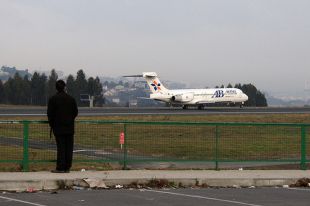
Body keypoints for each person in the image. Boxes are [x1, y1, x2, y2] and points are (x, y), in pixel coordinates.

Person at [47, 80, 78, 173]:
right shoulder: (71, 99)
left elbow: (50, 114)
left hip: (58, 128)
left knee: (61, 148)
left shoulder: (53, 99)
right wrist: (69, 119)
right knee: (69, 148)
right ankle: (67, 167)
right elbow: (75, 112)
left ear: (56, 88)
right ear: (65, 87)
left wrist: (52, 124)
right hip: (69, 127)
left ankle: (60, 167)